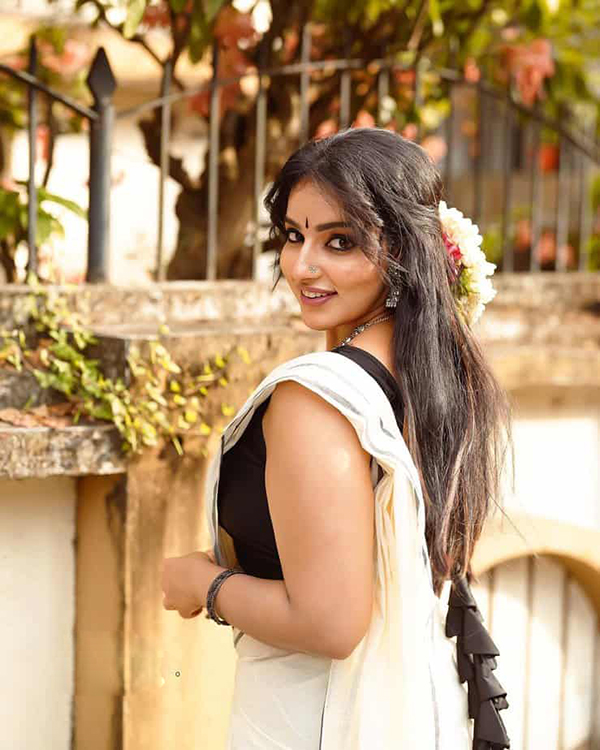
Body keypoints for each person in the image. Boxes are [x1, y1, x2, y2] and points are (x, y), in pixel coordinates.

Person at [161, 127, 512, 750]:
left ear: (403, 250)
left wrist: (203, 585)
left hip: (320, 721)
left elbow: (330, 623)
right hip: (407, 711)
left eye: (340, 241)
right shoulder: (436, 374)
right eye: (294, 235)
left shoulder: (316, 399)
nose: (302, 266)